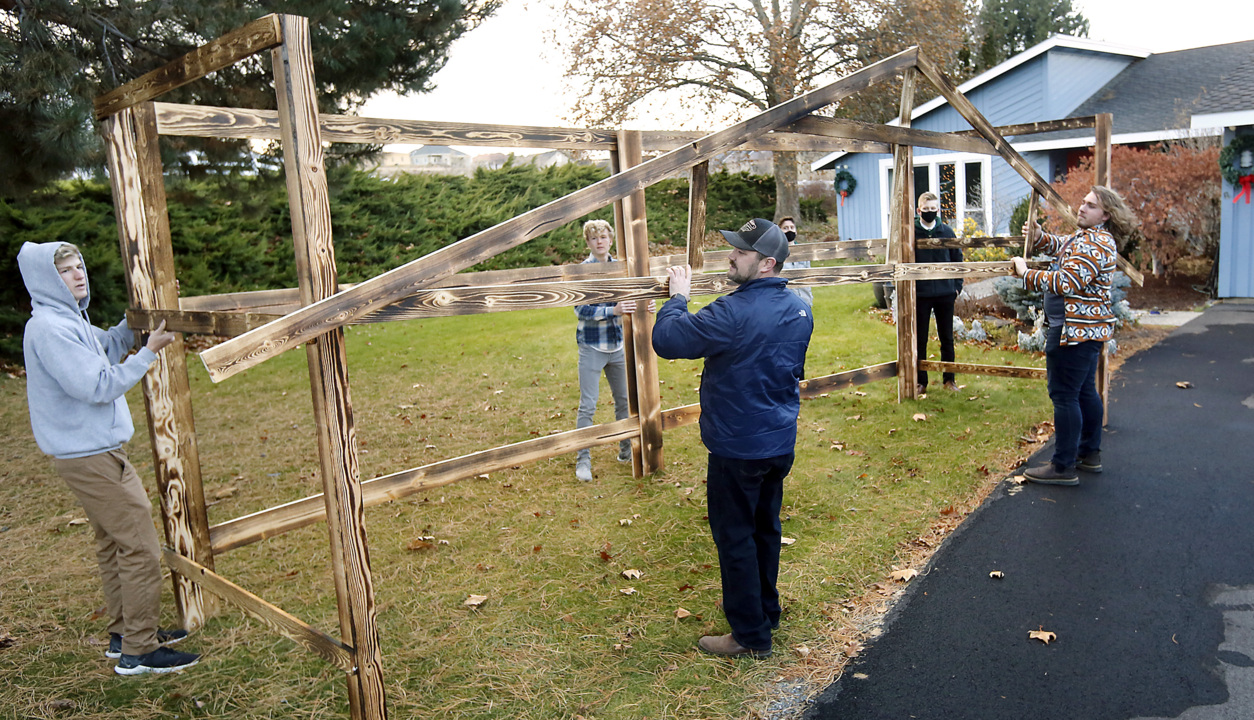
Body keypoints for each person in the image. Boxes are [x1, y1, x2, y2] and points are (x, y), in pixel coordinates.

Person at [18, 241, 200, 675]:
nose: (78, 275)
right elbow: (98, 385)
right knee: (139, 546)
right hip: (91, 457)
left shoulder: (68, 322)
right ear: (47, 280)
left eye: (79, 266)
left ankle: (125, 633)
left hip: (92, 452)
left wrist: (134, 321)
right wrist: (150, 352)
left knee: (113, 542)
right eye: (65, 271)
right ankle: (139, 651)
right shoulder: (49, 328)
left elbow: (108, 344)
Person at [652, 218, 813, 658]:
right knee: (765, 529)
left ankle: (750, 636)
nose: (731, 256)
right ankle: (766, 612)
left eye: (741, 252)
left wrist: (678, 298)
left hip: (738, 448)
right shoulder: (800, 308)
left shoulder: (733, 312)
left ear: (767, 264)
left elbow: (667, 339)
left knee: (736, 537)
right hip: (778, 442)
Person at [1010, 186, 1136, 486]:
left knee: (1064, 396)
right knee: (1083, 393)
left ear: (1105, 215)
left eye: (1091, 206)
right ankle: (1089, 454)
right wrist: (1040, 237)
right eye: (1083, 202)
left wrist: (1025, 272)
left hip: (1073, 334)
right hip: (1082, 332)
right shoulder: (1087, 238)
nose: (1081, 208)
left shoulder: (1096, 243)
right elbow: (1061, 246)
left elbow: (1067, 282)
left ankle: (1062, 466)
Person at [573, 220, 644, 481]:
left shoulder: (622, 267)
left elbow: (634, 297)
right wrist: (611, 311)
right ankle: (583, 461)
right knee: (588, 405)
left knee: (625, 401)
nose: (599, 242)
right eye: (594, 238)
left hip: (618, 344)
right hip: (592, 345)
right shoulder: (582, 270)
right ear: (588, 242)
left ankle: (626, 451)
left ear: (610, 239)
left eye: (603, 237)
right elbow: (580, 309)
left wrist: (645, 306)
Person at [913, 192, 963, 394]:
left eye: (934, 210)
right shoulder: (912, 233)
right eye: (926, 210)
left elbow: (957, 259)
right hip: (922, 294)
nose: (930, 213)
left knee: (947, 338)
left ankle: (949, 379)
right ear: (919, 211)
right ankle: (920, 381)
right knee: (920, 339)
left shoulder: (947, 232)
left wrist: (956, 286)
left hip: (945, 292)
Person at [778, 216, 814, 309]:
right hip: (785, 303)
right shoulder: (776, 253)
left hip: (805, 300)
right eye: (785, 228)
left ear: (796, 231)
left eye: (791, 227)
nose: (789, 230)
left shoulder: (804, 253)